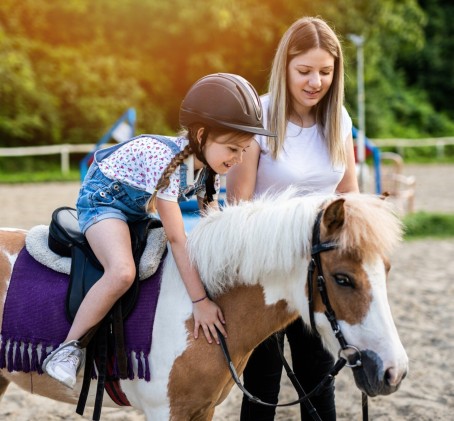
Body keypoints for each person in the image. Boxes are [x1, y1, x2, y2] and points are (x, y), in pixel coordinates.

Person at [42, 73, 275, 389]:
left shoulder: (209, 172)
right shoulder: (165, 159)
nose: (238, 159)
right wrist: (200, 301)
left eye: (244, 150)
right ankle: (68, 350)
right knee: (122, 271)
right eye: (233, 149)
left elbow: (213, 225)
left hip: (135, 209)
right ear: (202, 134)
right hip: (102, 202)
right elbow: (178, 238)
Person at [226, 17, 359, 420]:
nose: (315, 81)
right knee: (262, 383)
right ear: (285, 66)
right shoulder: (259, 117)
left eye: (325, 72)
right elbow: (238, 204)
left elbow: (348, 197)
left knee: (318, 380)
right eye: (304, 71)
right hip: (266, 271)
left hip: (318, 273)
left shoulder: (340, 121)